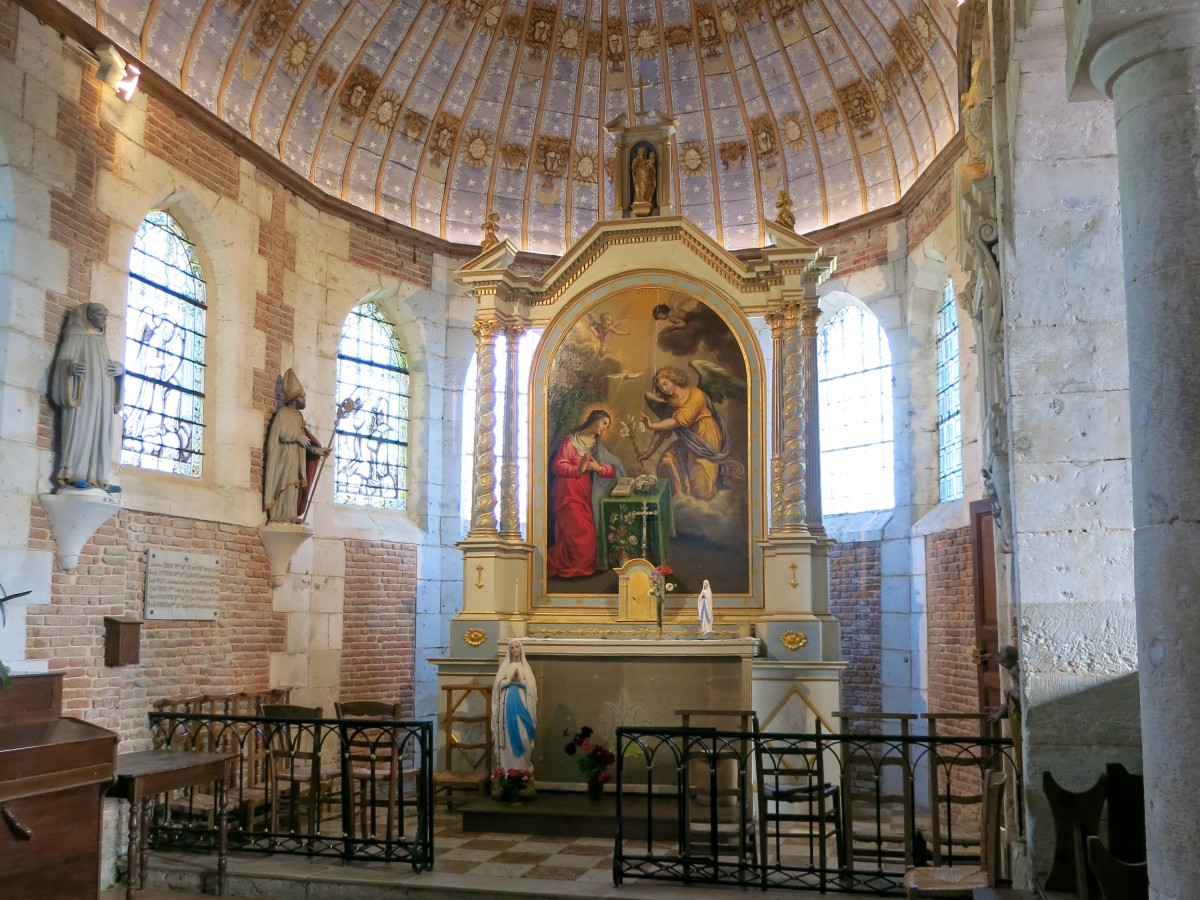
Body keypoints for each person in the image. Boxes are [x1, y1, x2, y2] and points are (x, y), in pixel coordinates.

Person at [49, 303, 124, 491]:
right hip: (83, 395)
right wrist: (70, 368)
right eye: (101, 316)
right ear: (89, 315)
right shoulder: (76, 334)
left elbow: (107, 365)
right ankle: (74, 474)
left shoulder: (100, 339)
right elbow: (62, 363)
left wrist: (120, 370)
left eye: (106, 316)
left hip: (103, 396)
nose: (104, 320)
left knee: (101, 431)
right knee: (81, 430)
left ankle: (99, 477)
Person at [639, 366, 740, 501]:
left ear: (674, 379)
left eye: (665, 383)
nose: (663, 388)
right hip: (688, 441)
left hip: (705, 438)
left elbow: (679, 420)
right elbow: (663, 431)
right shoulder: (670, 403)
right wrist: (649, 452)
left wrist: (651, 425)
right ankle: (679, 501)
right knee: (666, 463)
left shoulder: (695, 395)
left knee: (701, 489)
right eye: (660, 387)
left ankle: (698, 506)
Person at [547, 409, 624, 577]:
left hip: (584, 495)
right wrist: (578, 469)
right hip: (567, 493)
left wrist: (598, 468)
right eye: (604, 423)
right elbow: (557, 466)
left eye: (608, 427)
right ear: (594, 419)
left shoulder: (597, 447)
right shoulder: (571, 441)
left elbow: (613, 470)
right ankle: (560, 563)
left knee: (587, 536)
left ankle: (568, 563)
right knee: (580, 536)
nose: (605, 429)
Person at [263, 369, 328, 523]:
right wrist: (296, 437)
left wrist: (315, 450)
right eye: (302, 396)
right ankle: (280, 515)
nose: (304, 399)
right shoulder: (283, 414)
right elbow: (282, 434)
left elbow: (305, 439)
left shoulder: (298, 416)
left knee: (295, 486)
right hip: (285, 458)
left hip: (297, 457)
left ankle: (290, 514)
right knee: (286, 483)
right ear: (293, 398)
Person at [493, 639, 538, 774]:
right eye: (512, 647)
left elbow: (532, 688)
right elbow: (497, 686)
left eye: (517, 647)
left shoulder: (526, 668)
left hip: (523, 703)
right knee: (508, 733)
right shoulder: (505, 667)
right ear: (510, 650)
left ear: (521, 649)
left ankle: (523, 768)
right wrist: (510, 680)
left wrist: (520, 682)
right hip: (508, 704)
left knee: (524, 734)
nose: (514, 649)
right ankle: (508, 769)